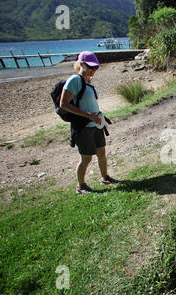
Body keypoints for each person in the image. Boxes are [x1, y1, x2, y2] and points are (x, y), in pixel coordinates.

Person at [59, 51, 119, 194]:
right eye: (91, 67)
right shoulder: (75, 80)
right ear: (81, 64)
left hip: (96, 125)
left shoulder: (88, 82)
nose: (94, 70)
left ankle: (105, 178)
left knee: (102, 153)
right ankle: (81, 186)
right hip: (83, 127)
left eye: (96, 67)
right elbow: (64, 104)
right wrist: (88, 116)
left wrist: (97, 117)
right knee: (86, 158)